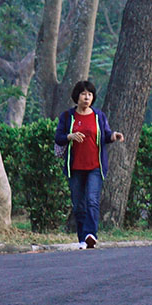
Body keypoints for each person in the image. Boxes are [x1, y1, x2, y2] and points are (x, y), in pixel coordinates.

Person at [54, 80, 124, 249]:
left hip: (95, 166)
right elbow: (58, 138)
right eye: (84, 94)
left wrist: (114, 136)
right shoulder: (68, 116)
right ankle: (82, 238)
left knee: (92, 200)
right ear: (76, 96)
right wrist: (70, 136)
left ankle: (91, 234)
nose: (87, 97)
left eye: (90, 94)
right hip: (75, 166)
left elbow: (106, 134)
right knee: (79, 205)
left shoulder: (98, 116)